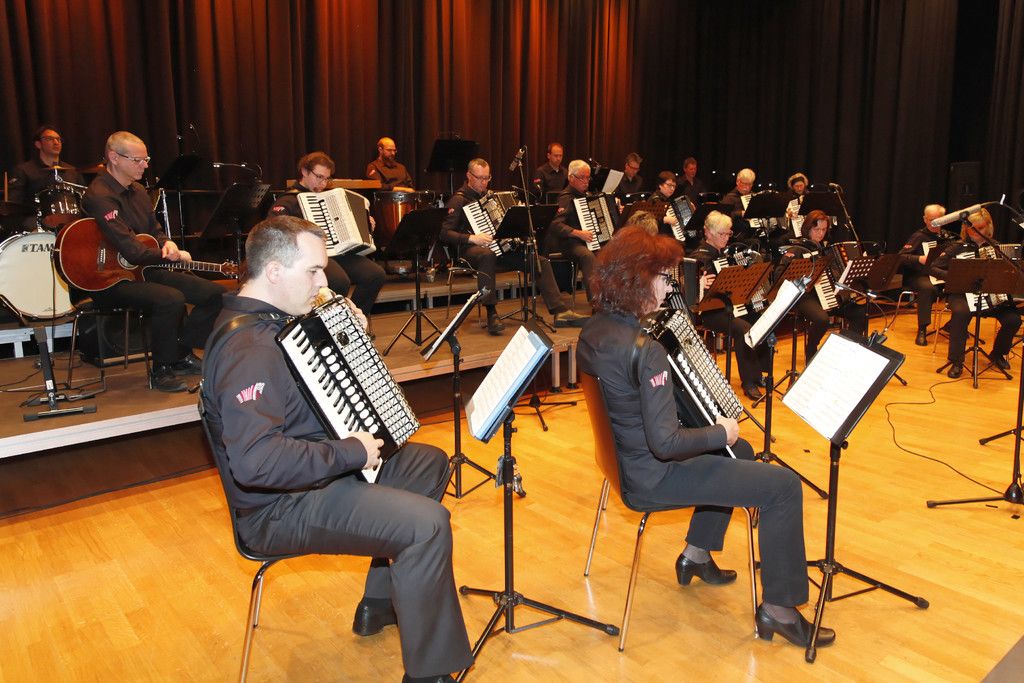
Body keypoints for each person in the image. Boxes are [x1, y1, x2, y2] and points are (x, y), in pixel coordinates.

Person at [200, 215, 473, 683]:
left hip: (311, 476)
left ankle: (381, 603)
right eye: (312, 271)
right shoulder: (249, 349)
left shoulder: (274, 318)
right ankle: (430, 674)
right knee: (428, 526)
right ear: (273, 272)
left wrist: (345, 333)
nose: (323, 283)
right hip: (278, 508)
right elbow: (256, 463)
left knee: (426, 463)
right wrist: (350, 453)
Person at [576, 226, 834, 648]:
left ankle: (695, 555)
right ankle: (781, 610)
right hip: (653, 477)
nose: (670, 287)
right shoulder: (646, 349)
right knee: (783, 486)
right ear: (638, 281)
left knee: (741, 451)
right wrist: (719, 430)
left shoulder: (595, 330)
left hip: (621, 466)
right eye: (665, 278)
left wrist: (719, 437)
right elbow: (666, 444)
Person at [82, 131, 226, 392]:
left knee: (216, 294)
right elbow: (131, 250)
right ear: (114, 157)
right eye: (137, 160)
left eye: (146, 159)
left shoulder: (138, 191)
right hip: (109, 279)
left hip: (143, 269)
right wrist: (165, 254)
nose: (145, 165)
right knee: (169, 299)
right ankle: (162, 369)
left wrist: (166, 242)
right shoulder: (100, 195)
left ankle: (181, 352)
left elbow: (153, 230)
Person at [439, 158, 587, 335]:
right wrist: (472, 238)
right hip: (470, 250)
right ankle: (491, 312)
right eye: (480, 178)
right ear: (469, 176)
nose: (484, 182)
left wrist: (517, 218)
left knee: (539, 260)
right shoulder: (458, 200)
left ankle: (560, 311)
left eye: (487, 178)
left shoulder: (491, 196)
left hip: (500, 249)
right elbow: (444, 233)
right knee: (487, 255)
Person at [270, 151, 386, 316]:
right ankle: (328, 323)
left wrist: (366, 224)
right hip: (309, 256)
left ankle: (353, 320)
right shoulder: (288, 201)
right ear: (304, 172)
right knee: (339, 280)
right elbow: (274, 231)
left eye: (327, 178)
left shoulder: (329, 198)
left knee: (375, 274)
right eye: (319, 177)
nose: (323, 183)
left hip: (337, 252)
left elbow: (346, 226)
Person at [930, 207, 1021, 378]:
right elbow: (933, 267)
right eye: (971, 228)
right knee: (960, 313)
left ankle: (997, 354)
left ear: (989, 226)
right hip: (962, 295)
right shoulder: (957, 247)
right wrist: (954, 276)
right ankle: (956, 361)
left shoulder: (997, 247)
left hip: (992, 296)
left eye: (980, 228)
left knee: (1013, 320)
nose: (974, 232)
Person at [689, 211, 771, 400]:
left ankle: (759, 373)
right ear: (708, 233)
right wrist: (699, 283)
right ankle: (748, 382)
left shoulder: (725, 254)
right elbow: (694, 295)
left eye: (728, 234)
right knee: (743, 329)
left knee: (761, 319)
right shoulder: (699, 258)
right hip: (710, 312)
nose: (726, 238)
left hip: (731, 308)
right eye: (722, 234)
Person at [780, 209, 868, 362]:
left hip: (828, 295)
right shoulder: (797, 249)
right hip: (806, 296)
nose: (820, 233)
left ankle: (845, 349)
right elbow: (781, 274)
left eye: (823, 229)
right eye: (817, 229)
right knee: (822, 319)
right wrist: (805, 277)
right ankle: (811, 350)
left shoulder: (825, 249)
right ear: (808, 229)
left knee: (859, 313)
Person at [546, 159, 609, 302]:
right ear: (571, 178)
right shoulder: (565, 198)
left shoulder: (587, 196)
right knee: (587, 256)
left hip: (587, 241)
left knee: (609, 252)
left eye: (588, 177)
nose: (586, 182)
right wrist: (578, 233)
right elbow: (555, 225)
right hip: (569, 242)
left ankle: (611, 297)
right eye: (582, 178)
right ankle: (596, 302)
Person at [7, 124, 85, 230]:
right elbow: (14, 206)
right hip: (37, 225)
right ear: (38, 144)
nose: (56, 142)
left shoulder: (72, 171)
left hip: (71, 224)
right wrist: (39, 221)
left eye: (58, 139)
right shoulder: (24, 170)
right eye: (49, 139)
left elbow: (84, 200)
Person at [898, 204, 952, 346]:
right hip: (920, 275)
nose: (934, 223)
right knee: (927, 288)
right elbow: (900, 257)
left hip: (941, 275)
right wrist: (919, 259)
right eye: (931, 219)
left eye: (938, 220)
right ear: (925, 219)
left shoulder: (949, 237)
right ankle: (922, 329)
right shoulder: (919, 236)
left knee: (965, 283)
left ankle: (953, 324)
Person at [720, 168, 756, 236]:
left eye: (750, 184)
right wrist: (740, 213)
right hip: (737, 235)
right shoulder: (729, 198)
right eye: (745, 184)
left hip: (753, 233)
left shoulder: (753, 196)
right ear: (737, 182)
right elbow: (722, 216)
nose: (747, 187)